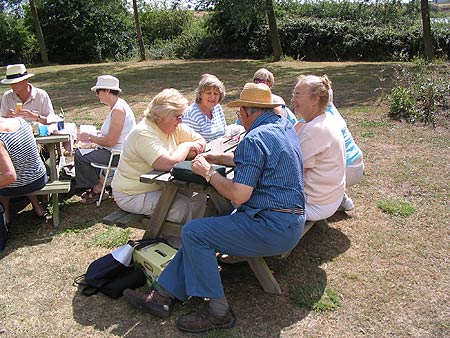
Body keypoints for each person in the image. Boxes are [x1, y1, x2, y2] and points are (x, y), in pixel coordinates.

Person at [123, 83, 306, 333]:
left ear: (248, 111)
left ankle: (218, 312)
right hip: (289, 221)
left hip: (271, 226)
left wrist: (208, 173)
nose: (239, 118)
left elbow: (240, 195)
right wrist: (220, 158)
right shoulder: (283, 125)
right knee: (201, 230)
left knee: (195, 232)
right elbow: (261, 160)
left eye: (239, 113)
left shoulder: (255, 138)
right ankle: (162, 296)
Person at [112, 88, 207, 224]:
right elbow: (166, 164)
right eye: (177, 116)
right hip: (132, 194)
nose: (181, 121)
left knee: (199, 195)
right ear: (164, 115)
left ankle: (194, 234)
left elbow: (200, 142)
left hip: (161, 186)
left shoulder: (174, 126)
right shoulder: (143, 133)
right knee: (180, 207)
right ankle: (176, 243)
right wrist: (185, 147)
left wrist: (183, 153)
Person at [291, 74, 346, 221]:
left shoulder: (312, 130)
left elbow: (293, 174)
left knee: (256, 196)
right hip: (332, 198)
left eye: (298, 95)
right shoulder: (326, 119)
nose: (292, 100)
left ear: (315, 99)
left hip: (315, 205)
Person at [75, 75, 135, 205]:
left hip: (118, 155)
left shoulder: (118, 110)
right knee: (83, 151)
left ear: (107, 90)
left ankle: (96, 189)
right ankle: (99, 186)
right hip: (115, 151)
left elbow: (110, 142)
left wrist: (90, 137)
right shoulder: (117, 106)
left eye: (98, 91)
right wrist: (95, 135)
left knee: (80, 155)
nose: (97, 95)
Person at [0, 116, 48, 248]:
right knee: (22, 166)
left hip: (19, 184)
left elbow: (10, 176)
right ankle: (38, 207)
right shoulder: (21, 121)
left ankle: (6, 216)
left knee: (4, 179)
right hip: (38, 177)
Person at [182, 73, 227, 142]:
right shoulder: (191, 114)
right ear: (200, 94)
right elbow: (189, 143)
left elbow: (224, 132)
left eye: (216, 93)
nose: (212, 97)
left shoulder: (217, 108)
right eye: (208, 93)